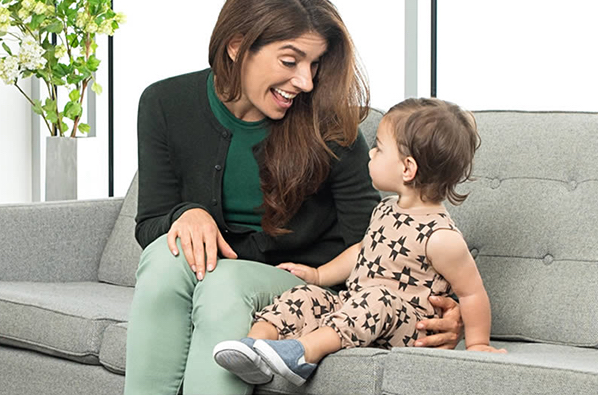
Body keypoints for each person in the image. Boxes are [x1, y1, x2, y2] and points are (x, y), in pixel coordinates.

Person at [124, 0, 463, 395]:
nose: (305, 82)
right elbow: (150, 224)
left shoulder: (330, 128)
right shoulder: (163, 103)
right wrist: (185, 214)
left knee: (222, 285)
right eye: (290, 61)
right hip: (213, 272)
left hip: (303, 283)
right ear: (237, 46)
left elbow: (376, 240)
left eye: (314, 64)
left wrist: (438, 309)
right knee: (163, 258)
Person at [210, 97, 502, 387]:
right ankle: (254, 348)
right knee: (304, 296)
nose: (371, 154)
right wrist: (318, 275)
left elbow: (472, 293)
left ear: (407, 169)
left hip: (409, 328)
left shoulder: (440, 237)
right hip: (358, 307)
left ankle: (303, 354)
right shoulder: (386, 207)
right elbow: (363, 251)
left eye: (379, 148)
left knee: (378, 298)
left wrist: (477, 345)